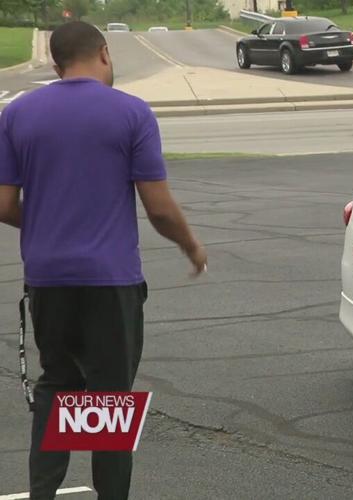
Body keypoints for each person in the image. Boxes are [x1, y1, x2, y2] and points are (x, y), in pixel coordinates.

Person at [0, 22, 207, 500]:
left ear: (56, 64)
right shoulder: (131, 113)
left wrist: (46, 226)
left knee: (56, 387)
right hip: (109, 280)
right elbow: (157, 207)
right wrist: (191, 245)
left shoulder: (18, 114)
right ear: (105, 54)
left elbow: (5, 205)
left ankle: (43, 494)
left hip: (48, 279)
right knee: (108, 399)